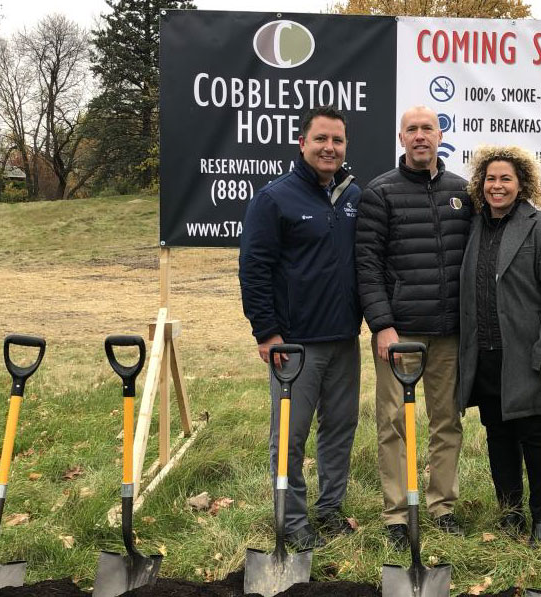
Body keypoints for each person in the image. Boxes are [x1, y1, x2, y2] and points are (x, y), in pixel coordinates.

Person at [239, 106, 362, 550]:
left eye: (338, 141)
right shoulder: (275, 198)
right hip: (295, 345)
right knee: (290, 436)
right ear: (302, 143)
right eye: (321, 139)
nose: (330, 148)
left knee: (340, 429)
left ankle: (330, 511)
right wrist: (267, 334)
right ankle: (291, 521)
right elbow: (254, 269)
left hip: (345, 340)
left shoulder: (353, 196)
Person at [356, 105, 472, 549]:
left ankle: (442, 508)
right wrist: (382, 325)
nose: (420, 136)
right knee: (393, 423)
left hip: (448, 333)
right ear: (400, 138)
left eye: (428, 128)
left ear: (440, 135)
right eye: (412, 130)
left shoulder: (463, 192)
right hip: (399, 334)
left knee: (447, 423)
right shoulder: (379, 193)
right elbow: (366, 266)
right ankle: (397, 516)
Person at [457, 145, 541, 545]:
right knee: (498, 438)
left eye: (505, 178)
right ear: (481, 184)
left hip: (530, 358)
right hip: (487, 357)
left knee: (538, 439)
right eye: (490, 178)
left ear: (522, 183)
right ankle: (510, 514)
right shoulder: (473, 228)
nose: (497, 186)